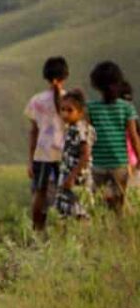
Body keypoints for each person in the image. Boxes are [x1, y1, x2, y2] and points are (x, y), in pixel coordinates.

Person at [87, 61, 140, 213]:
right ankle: (116, 231)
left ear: (96, 85)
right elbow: (134, 136)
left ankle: (103, 231)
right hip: (119, 164)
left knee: (98, 204)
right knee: (118, 204)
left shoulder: (91, 107)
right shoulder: (127, 107)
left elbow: (87, 136)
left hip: (98, 164)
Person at [24, 57, 68, 231]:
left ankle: (37, 228)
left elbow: (34, 131)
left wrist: (30, 160)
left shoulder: (36, 100)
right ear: (66, 76)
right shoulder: (70, 100)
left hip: (42, 152)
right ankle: (63, 228)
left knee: (39, 192)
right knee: (64, 192)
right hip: (64, 152)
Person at [54, 89, 95, 220]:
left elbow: (85, 154)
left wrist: (72, 176)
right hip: (67, 174)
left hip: (77, 178)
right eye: (63, 110)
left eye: (70, 110)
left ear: (80, 112)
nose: (65, 114)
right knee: (66, 212)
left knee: (79, 211)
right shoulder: (71, 127)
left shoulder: (80, 129)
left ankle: (82, 238)